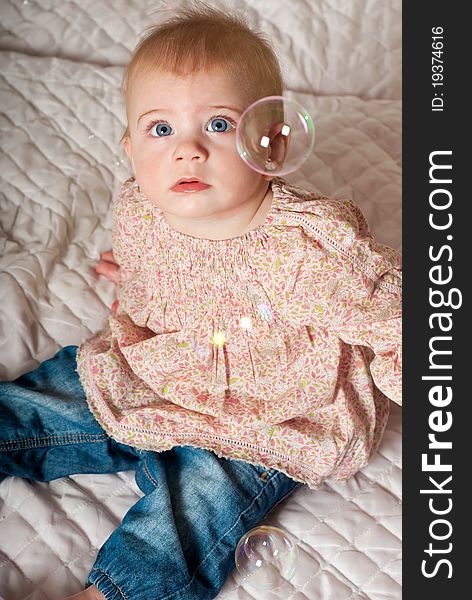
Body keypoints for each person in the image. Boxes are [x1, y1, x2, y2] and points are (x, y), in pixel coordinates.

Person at [0, 4, 402, 600]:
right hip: (162, 368)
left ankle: (113, 594)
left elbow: (397, 314)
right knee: (54, 399)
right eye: (161, 130)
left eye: (217, 124)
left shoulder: (311, 249)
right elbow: (154, 266)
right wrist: (141, 274)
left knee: (197, 506)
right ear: (132, 146)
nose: (186, 151)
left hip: (271, 413)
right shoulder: (143, 206)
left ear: (271, 141)